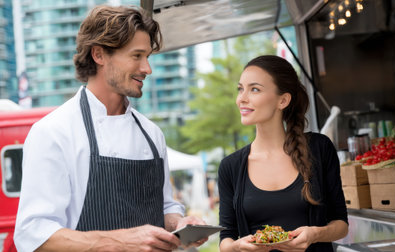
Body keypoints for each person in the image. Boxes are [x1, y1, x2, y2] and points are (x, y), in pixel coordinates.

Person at [14, 5, 206, 252]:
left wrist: (180, 223)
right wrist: (119, 241)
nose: (147, 68)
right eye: (137, 56)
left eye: (148, 57)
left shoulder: (151, 134)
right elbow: (32, 234)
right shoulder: (53, 132)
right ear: (99, 55)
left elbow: (166, 206)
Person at [218, 55, 348, 252]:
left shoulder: (319, 148)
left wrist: (315, 234)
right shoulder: (231, 166)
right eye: (240, 89)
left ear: (283, 100)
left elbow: (341, 224)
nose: (241, 98)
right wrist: (237, 247)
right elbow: (225, 239)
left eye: (254, 89)